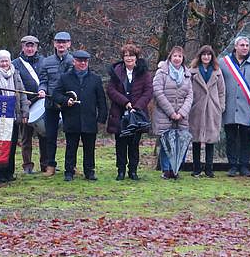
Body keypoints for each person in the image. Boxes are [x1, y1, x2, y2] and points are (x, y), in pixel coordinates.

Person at [53, 50, 107, 181]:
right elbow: (56, 94)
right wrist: (66, 100)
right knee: (71, 147)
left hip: (89, 119)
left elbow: (101, 100)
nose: (82, 63)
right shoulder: (65, 77)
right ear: (74, 61)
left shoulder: (95, 79)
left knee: (90, 148)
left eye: (85, 61)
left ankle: (89, 171)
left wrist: (102, 118)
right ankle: (69, 172)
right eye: (79, 61)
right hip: (72, 118)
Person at [106, 43, 153, 180]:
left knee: (134, 144)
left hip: (137, 114)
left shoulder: (144, 72)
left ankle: (133, 171)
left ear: (136, 57)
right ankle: (120, 170)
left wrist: (136, 106)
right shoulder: (116, 71)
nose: (129, 58)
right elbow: (111, 90)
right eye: (126, 56)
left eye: (131, 55)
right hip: (119, 113)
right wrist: (125, 103)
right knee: (120, 144)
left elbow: (148, 91)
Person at [220, 36, 250, 177]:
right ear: (235, 46)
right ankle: (233, 166)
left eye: (247, 45)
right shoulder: (223, 63)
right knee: (231, 138)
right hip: (230, 107)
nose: (245, 47)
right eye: (242, 45)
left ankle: (245, 166)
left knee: (246, 139)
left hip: (248, 109)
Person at [0, 50, 30, 184]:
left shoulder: (16, 75)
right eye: (2, 61)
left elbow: (22, 95)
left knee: (11, 146)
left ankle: (9, 172)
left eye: (6, 61)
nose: (4, 64)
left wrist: (24, 112)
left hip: (13, 116)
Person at [153, 46, 194, 179]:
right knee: (166, 143)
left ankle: (175, 169)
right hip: (165, 115)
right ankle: (166, 170)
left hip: (182, 116)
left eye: (180, 56)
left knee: (180, 143)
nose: (177, 59)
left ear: (183, 59)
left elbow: (190, 95)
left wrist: (181, 113)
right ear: (170, 57)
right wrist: (171, 112)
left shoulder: (187, 74)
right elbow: (158, 92)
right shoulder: (161, 73)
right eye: (175, 56)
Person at [37, 31, 74, 176]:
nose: (61, 45)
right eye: (58, 42)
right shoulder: (46, 62)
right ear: (54, 44)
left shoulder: (74, 61)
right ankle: (50, 165)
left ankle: (71, 166)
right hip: (50, 104)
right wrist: (41, 90)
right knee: (50, 136)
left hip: (69, 104)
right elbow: (43, 82)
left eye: (64, 42)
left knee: (71, 137)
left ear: (69, 44)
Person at [188, 45, 226, 178]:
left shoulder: (217, 72)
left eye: (209, 54)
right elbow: (187, 90)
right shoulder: (192, 71)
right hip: (196, 108)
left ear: (212, 57)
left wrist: (220, 106)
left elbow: (222, 91)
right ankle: (196, 168)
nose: (206, 57)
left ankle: (209, 169)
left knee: (211, 139)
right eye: (203, 54)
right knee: (196, 139)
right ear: (200, 56)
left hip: (212, 108)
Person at [12, 35, 44, 174]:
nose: (30, 49)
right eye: (27, 46)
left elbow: (47, 79)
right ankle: (27, 165)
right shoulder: (15, 64)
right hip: (24, 104)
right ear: (22, 47)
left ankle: (45, 164)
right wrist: (23, 101)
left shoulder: (44, 62)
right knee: (26, 137)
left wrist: (44, 90)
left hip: (41, 103)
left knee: (44, 136)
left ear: (36, 47)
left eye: (32, 46)